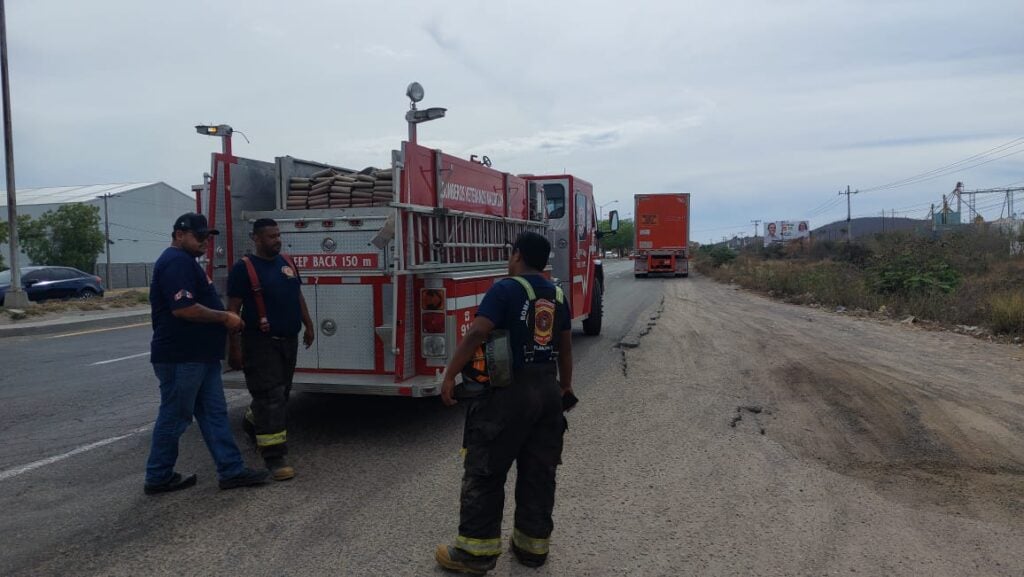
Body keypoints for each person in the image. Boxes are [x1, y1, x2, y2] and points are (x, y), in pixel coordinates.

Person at [435, 231, 575, 574]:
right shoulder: (557, 293)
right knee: (539, 471)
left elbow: (478, 333)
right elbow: (566, 345)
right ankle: (532, 549)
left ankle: (474, 555)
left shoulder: (505, 289)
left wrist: (450, 374)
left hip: (510, 395)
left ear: (516, 255)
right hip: (547, 391)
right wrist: (565, 388)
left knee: (485, 470)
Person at [144, 213, 270, 494]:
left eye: (207, 237)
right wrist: (226, 318)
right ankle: (158, 476)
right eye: (199, 236)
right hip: (182, 357)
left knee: (214, 414)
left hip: (200, 356)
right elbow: (184, 309)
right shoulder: (175, 262)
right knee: (175, 417)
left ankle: (231, 471)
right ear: (179, 235)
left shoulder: (187, 262)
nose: (205, 242)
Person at [227, 218, 314, 481]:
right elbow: (232, 311)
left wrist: (308, 325)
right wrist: (235, 350)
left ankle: (254, 420)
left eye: (278, 235)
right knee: (271, 396)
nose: (276, 240)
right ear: (256, 238)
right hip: (260, 343)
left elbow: (296, 295)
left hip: (289, 340)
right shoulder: (244, 269)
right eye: (270, 237)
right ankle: (275, 457)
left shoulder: (287, 263)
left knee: (282, 393)